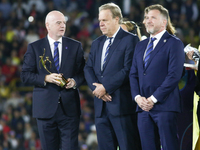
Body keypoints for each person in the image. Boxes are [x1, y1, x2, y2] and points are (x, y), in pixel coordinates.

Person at [21, 10, 85, 150]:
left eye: (64, 23)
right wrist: (45, 78)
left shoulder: (75, 46)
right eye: (58, 23)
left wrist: (74, 81)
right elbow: (25, 75)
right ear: (48, 25)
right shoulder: (35, 47)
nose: (63, 25)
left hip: (69, 109)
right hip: (45, 110)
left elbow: (83, 73)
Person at [84, 3, 141, 150]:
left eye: (105, 20)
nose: (101, 24)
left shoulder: (130, 40)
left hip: (121, 106)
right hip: (101, 108)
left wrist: (106, 87)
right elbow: (88, 68)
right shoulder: (97, 43)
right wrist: (97, 89)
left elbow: (128, 69)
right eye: (100, 20)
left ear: (117, 20)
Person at [129, 4, 185, 150]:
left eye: (153, 17)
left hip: (165, 107)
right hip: (142, 108)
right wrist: (137, 98)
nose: (148, 21)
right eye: (146, 18)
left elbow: (174, 76)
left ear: (164, 22)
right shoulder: (140, 46)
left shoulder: (174, 43)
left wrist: (153, 99)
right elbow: (133, 74)